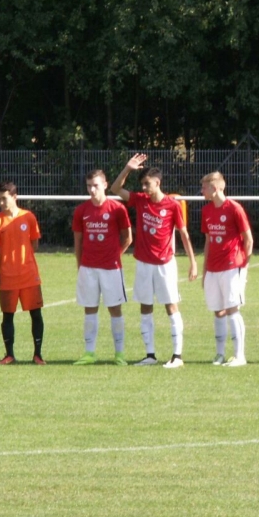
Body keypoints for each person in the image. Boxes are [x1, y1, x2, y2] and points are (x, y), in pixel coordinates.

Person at [111, 154, 198, 369]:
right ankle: (150, 355)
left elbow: (184, 234)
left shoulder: (172, 205)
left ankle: (177, 356)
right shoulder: (141, 200)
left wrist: (193, 262)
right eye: (142, 184)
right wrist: (127, 168)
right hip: (143, 263)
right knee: (145, 306)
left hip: (165, 264)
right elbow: (115, 189)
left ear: (157, 183)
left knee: (171, 306)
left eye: (147, 184)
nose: (144, 188)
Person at [72, 169, 133, 365]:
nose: (92, 190)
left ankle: (119, 354)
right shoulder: (81, 210)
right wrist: (80, 266)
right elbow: (78, 242)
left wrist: (115, 255)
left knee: (115, 309)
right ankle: (89, 353)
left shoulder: (117, 209)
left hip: (111, 269)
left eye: (96, 186)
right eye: (89, 186)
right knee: (89, 309)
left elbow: (128, 238)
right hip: (88, 269)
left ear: (105, 185)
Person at [0, 181, 46, 365]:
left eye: (4, 198)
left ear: (14, 197)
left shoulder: (28, 217)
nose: (1, 203)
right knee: (7, 316)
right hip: (7, 277)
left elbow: (34, 244)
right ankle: (9, 355)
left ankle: (38, 355)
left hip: (29, 276)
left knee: (36, 314)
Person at [200, 171, 252, 367]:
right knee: (218, 311)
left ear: (215, 188)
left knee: (232, 309)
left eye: (204, 187)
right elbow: (208, 241)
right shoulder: (206, 211)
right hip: (213, 268)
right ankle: (220, 354)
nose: (202, 191)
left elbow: (248, 239)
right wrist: (205, 270)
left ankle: (240, 356)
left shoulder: (234, 208)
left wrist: (244, 267)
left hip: (232, 266)